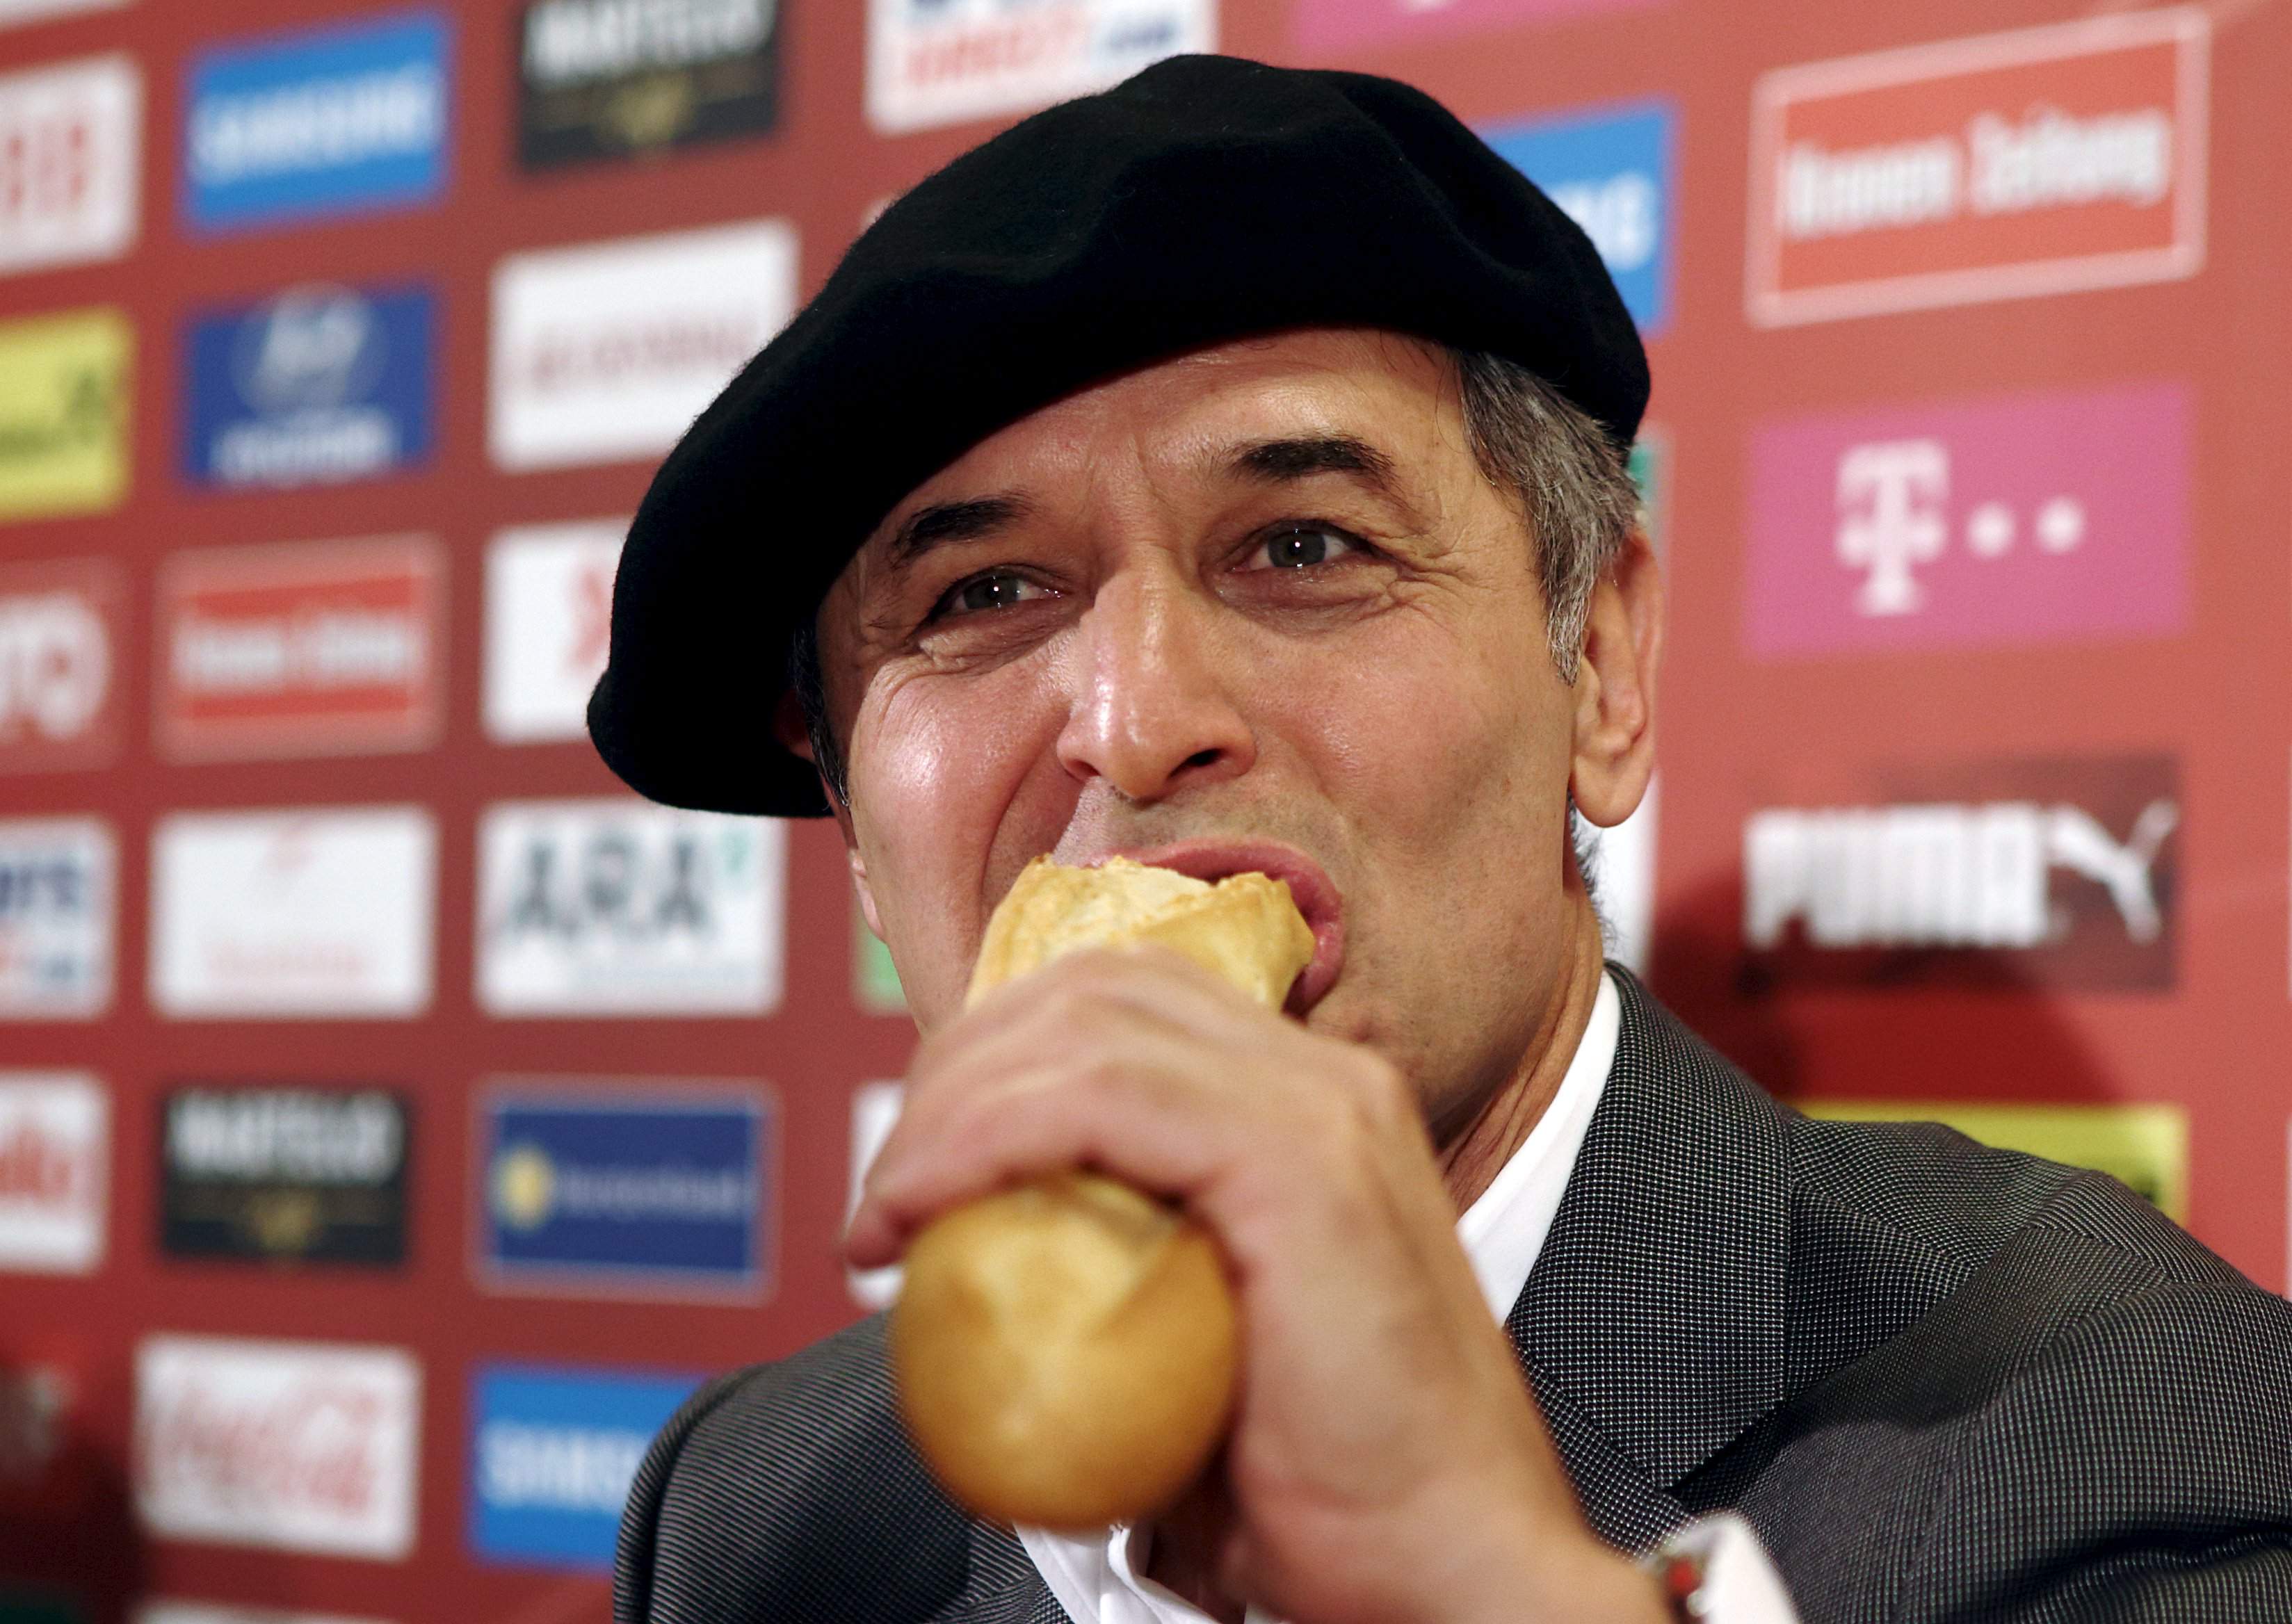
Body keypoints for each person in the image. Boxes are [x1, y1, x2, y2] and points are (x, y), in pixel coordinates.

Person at [592, 54, 2292, 1624]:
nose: (1134, 713)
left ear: (1603, 668)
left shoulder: (2131, 1432)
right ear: (855, 834)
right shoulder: (754, 1515)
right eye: (980, 594)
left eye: (1304, 546)